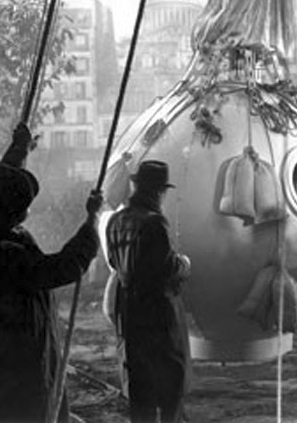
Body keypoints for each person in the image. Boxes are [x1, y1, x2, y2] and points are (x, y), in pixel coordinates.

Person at [0, 123, 102, 422]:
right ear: (10, 211)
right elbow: (63, 267)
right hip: (9, 375)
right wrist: (91, 221)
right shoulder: (1, 252)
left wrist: (20, 148)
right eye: (23, 202)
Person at [106, 160, 191, 423]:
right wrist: (184, 264)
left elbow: (113, 262)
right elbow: (167, 268)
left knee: (140, 388)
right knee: (170, 384)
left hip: (129, 313)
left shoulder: (116, 221)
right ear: (159, 192)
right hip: (158, 315)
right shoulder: (154, 223)